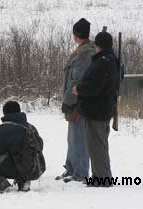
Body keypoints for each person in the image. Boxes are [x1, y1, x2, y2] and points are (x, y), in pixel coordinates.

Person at [72, 31, 119, 187]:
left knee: (97, 148)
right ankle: (99, 177)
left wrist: (79, 89)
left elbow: (94, 87)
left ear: (97, 45)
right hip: (104, 110)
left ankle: (103, 180)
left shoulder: (102, 62)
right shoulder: (112, 60)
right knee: (98, 146)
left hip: (96, 112)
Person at [0, 101, 44, 194]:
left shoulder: (4, 128)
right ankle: (23, 180)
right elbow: (40, 145)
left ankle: (1, 182)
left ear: (4, 113)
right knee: (17, 152)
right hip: (36, 168)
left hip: (18, 169)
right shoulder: (30, 127)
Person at [57, 18, 95, 183]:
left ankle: (80, 173)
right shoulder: (83, 50)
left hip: (79, 103)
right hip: (76, 101)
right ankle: (71, 168)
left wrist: (68, 101)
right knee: (72, 137)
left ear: (76, 34)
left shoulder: (86, 53)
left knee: (78, 137)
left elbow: (76, 81)